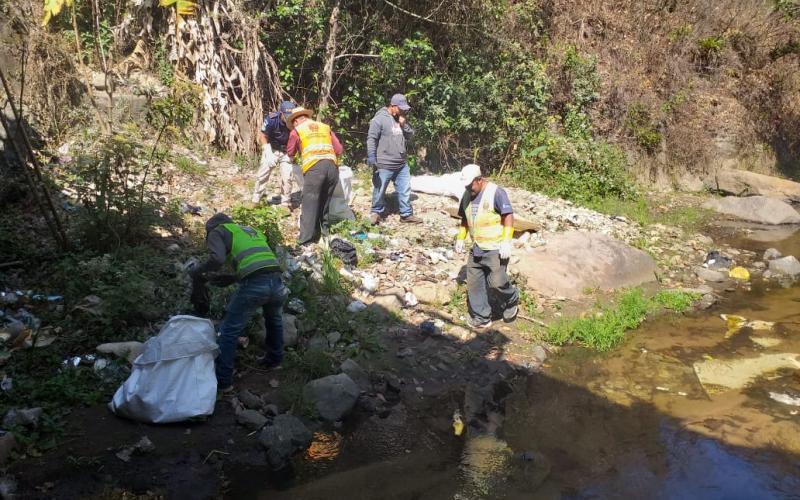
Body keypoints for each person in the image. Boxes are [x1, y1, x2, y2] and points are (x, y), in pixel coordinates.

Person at [190, 212, 287, 392]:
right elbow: (259, 262)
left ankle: (224, 382)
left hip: (256, 284)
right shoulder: (250, 230)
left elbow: (217, 259)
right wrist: (234, 278)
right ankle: (275, 361)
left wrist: (199, 271)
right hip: (277, 282)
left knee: (228, 330)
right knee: (274, 321)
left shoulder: (217, 231)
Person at [454, 164, 519, 329]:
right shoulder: (467, 195)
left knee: (496, 282)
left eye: (470, 185)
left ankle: (512, 299)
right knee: (474, 283)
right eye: (466, 186)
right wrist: (460, 238)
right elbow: (465, 218)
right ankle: (482, 317)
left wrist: (506, 241)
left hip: (495, 247)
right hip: (476, 247)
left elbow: (508, 216)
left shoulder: (495, 192)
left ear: (479, 179)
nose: (468, 188)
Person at [285, 106, 345, 246]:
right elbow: (339, 149)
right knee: (325, 202)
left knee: (309, 203)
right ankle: (324, 234)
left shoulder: (297, 131)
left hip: (314, 168)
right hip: (332, 167)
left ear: (295, 121)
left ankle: (305, 240)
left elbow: (290, 152)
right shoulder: (325, 127)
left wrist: (295, 156)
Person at [366, 93, 421, 225]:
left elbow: (410, 136)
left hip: (401, 164)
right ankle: (376, 213)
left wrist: (404, 124)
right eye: (401, 108)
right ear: (393, 106)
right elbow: (371, 138)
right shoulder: (379, 119)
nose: (403, 111)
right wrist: (371, 156)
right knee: (379, 191)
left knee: (405, 190)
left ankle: (406, 214)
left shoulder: (400, 119)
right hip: (384, 163)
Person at [252, 100, 304, 207]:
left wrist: (294, 154)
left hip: (287, 152)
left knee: (287, 177)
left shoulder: (296, 121)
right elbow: (263, 135)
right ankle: (256, 200)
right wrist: (266, 150)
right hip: (272, 149)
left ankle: (285, 203)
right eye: (286, 116)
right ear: (281, 113)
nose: (289, 119)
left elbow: (299, 138)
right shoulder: (272, 119)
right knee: (263, 174)